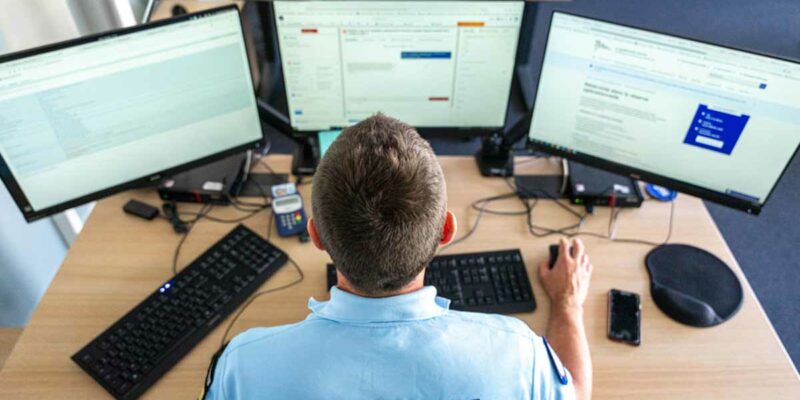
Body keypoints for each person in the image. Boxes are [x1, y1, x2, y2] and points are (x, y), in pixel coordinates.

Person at [204, 114, 594, 400]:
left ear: (316, 236)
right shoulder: (516, 353)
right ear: (446, 231)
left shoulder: (243, 365)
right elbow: (575, 392)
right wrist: (567, 303)